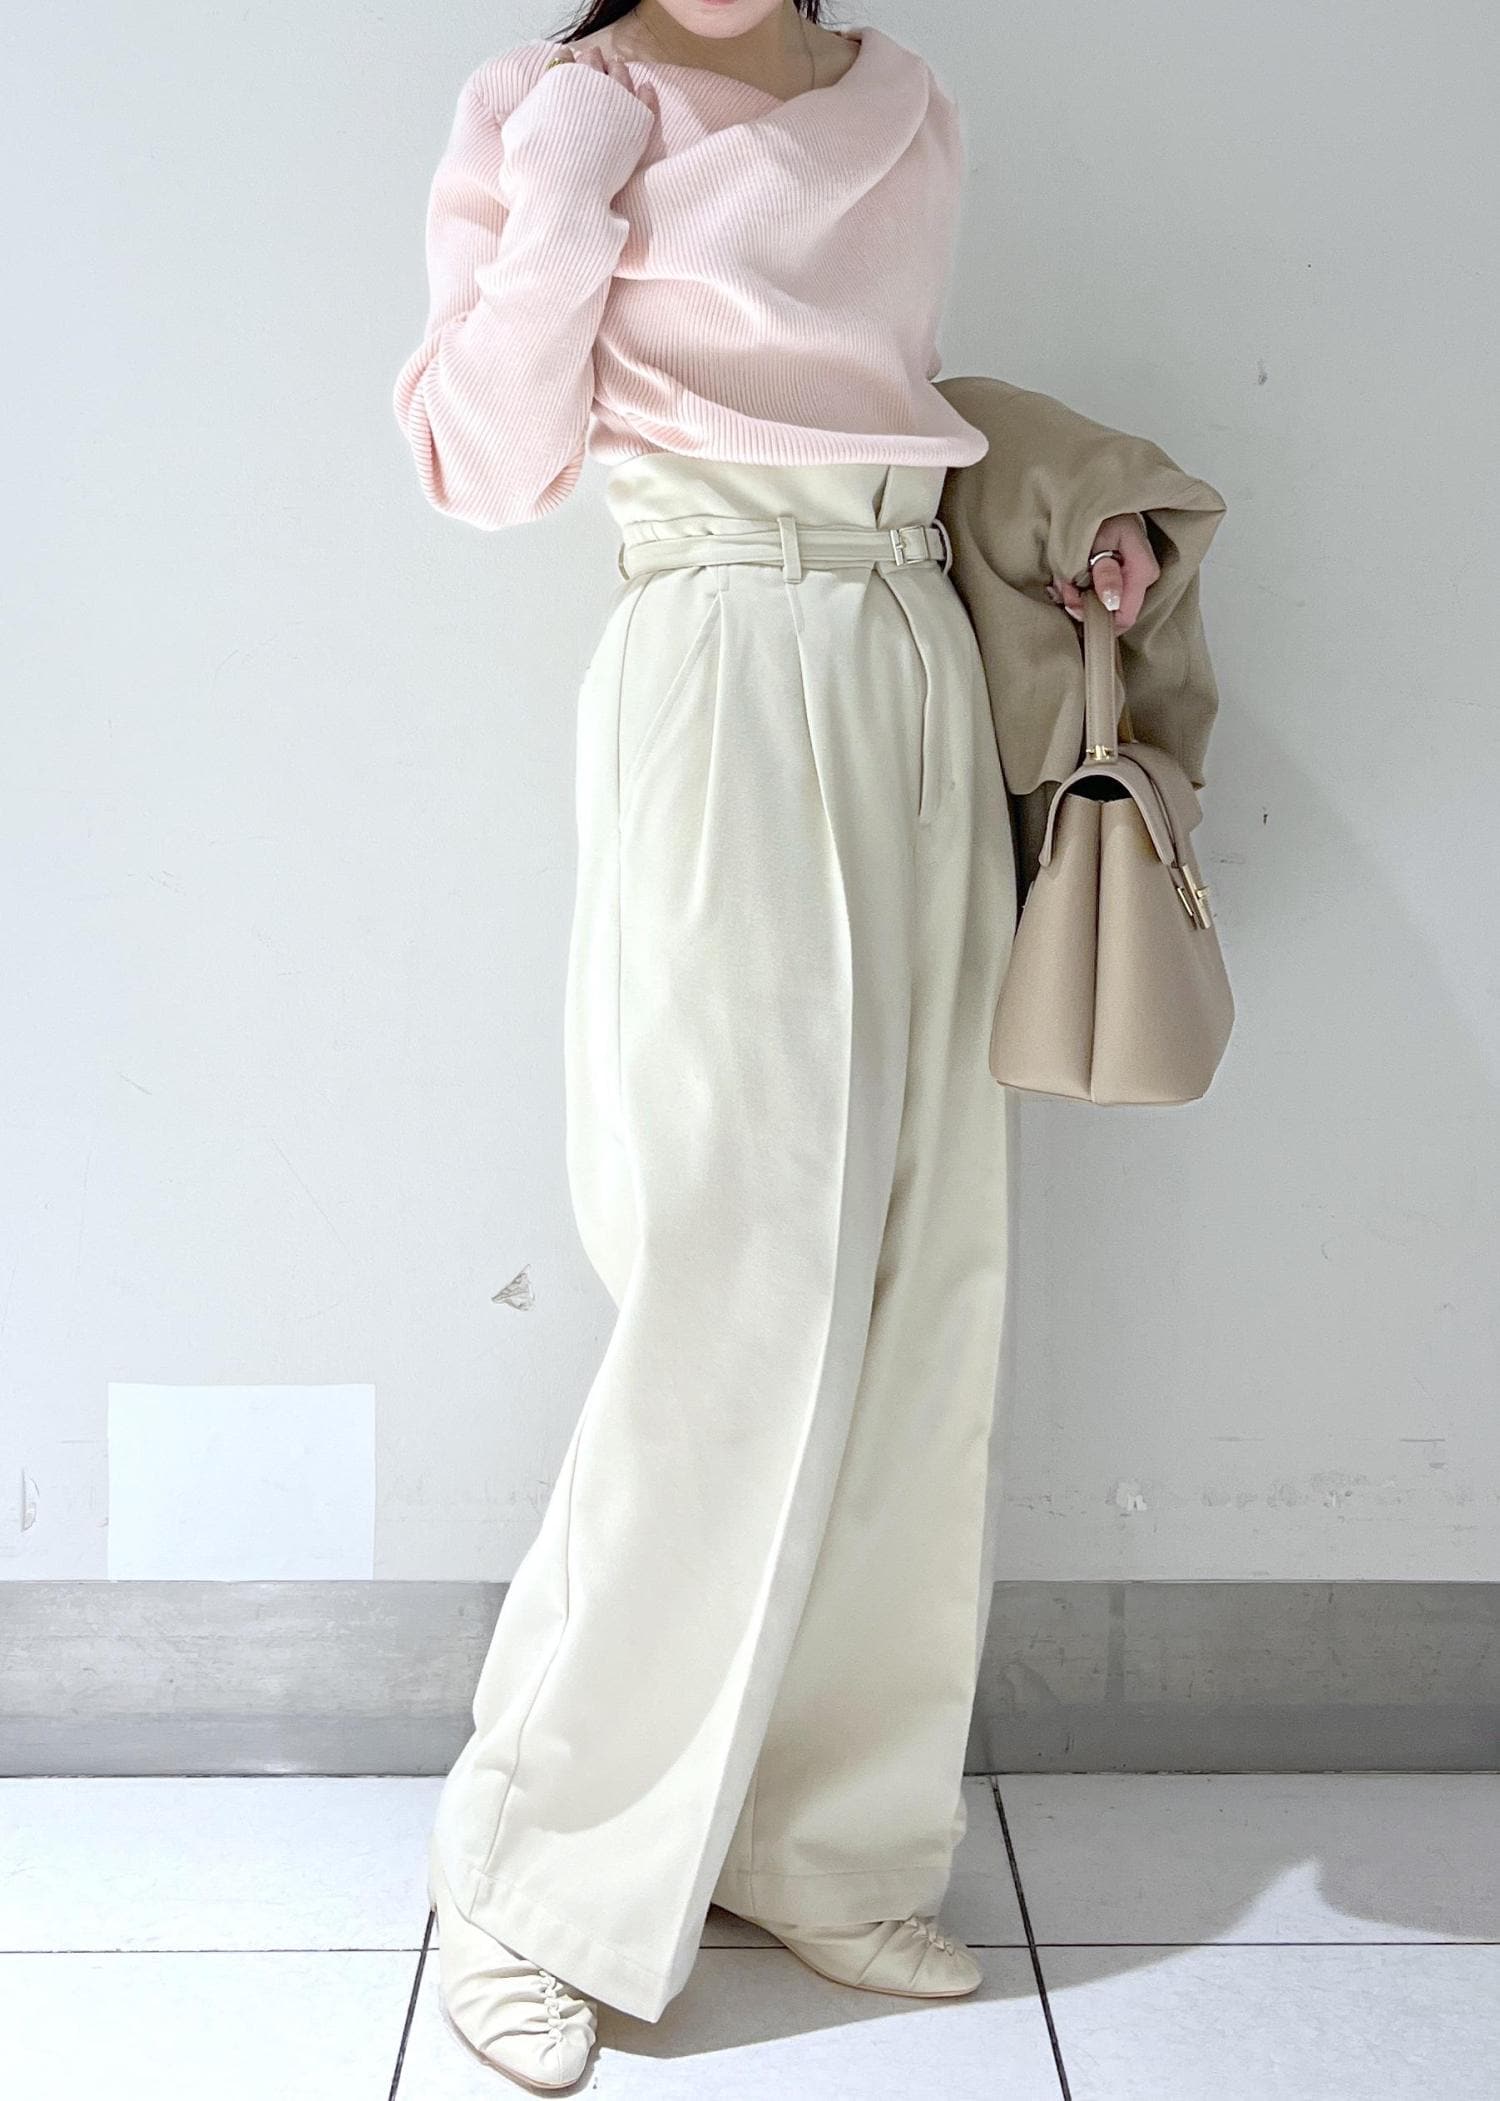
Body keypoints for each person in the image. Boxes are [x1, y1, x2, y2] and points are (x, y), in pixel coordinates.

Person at [391, 2, 1155, 2085]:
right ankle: (531, 1874)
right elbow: (485, 461)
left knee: (927, 1271)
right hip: (715, 641)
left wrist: (1060, 530)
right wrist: (565, 194)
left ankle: (821, 1839)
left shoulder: (901, 100)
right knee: (727, 1274)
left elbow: (880, 388)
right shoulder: (563, 108)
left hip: (911, 650)